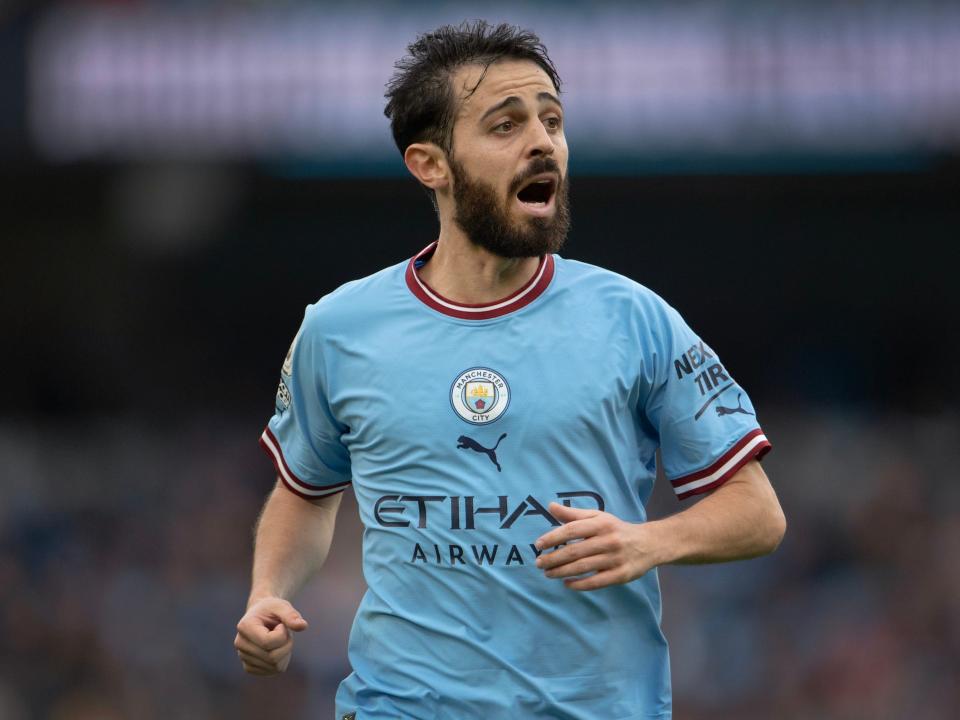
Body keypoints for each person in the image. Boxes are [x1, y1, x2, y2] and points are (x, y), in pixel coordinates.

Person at [235, 20, 786, 720]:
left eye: (552, 121)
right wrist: (266, 594)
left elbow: (758, 513)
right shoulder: (339, 329)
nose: (542, 141)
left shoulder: (635, 320)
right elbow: (306, 490)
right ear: (429, 164)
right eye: (506, 125)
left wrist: (650, 541)